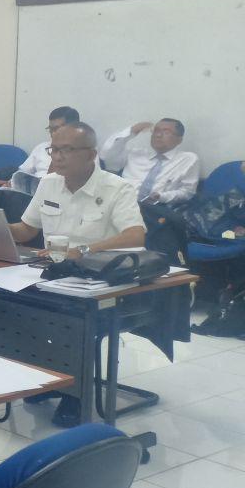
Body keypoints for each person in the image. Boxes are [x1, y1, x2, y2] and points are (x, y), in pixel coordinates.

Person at [9, 122, 147, 425]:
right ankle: (44, 378)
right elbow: (27, 229)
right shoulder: (49, 183)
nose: (57, 157)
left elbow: (135, 236)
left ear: (91, 154)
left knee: (67, 319)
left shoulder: (117, 188)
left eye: (66, 150)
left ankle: (75, 394)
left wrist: (84, 250)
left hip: (98, 283)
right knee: (8, 304)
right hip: (53, 276)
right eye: (54, 149)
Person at [101, 119, 200, 207]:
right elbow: (106, 156)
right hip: (122, 204)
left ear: (179, 140)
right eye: (156, 131)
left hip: (156, 210)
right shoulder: (135, 154)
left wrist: (161, 196)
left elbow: (187, 192)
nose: (158, 135)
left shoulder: (187, 159)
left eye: (166, 132)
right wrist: (132, 131)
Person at [17, 106, 81, 183]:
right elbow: (22, 172)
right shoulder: (41, 147)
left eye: (57, 129)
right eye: (51, 129)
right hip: (33, 188)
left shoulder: (83, 152)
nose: (53, 134)